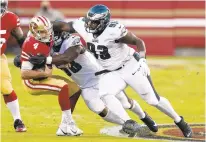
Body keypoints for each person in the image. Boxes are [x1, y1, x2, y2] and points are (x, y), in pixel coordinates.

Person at [40, 4, 193, 137]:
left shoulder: (114, 30)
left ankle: (180, 121)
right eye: (89, 21)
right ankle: (130, 122)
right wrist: (44, 27)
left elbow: (138, 41)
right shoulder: (82, 24)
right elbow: (62, 25)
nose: (89, 25)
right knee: (105, 94)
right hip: (111, 71)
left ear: (103, 22)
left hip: (129, 65)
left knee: (152, 100)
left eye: (94, 23)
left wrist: (143, 59)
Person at [19, 16, 82, 136]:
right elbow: (24, 74)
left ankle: (64, 127)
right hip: (32, 81)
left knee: (75, 90)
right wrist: (45, 72)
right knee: (63, 87)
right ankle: (70, 123)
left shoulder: (49, 36)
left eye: (47, 30)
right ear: (34, 31)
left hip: (43, 77)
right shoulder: (31, 43)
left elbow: (48, 53)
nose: (46, 33)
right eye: (42, 32)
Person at [0, 0, 26, 132]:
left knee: (6, 87)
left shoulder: (10, 18)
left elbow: (21, 39)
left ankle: (17, 119)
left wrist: (27, 55)